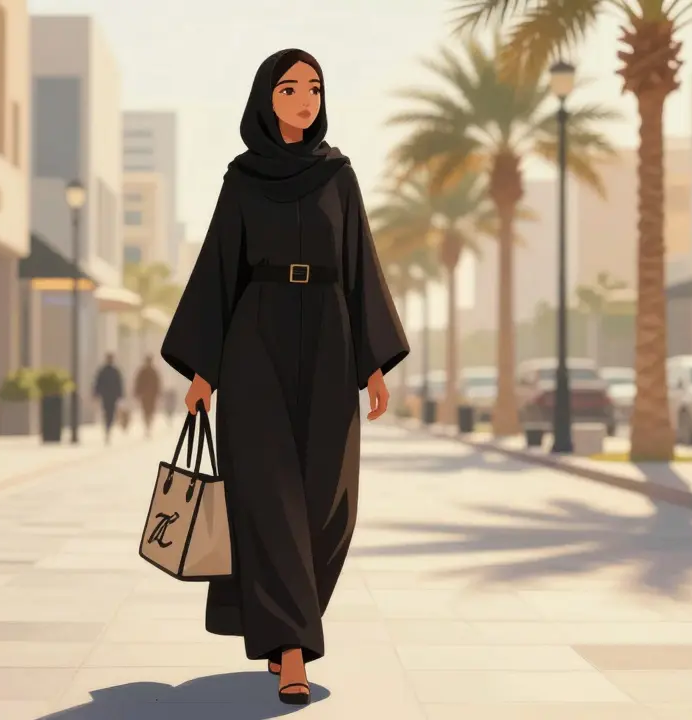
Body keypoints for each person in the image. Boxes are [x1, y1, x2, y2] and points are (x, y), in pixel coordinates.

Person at [159, 48, 408, 706]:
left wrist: (374, 360)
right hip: (255, 342)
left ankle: (283, 620)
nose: (306, 98)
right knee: (267, 496)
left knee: (330, 501)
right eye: (291, 87)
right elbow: (218, 268)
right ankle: (293, 649)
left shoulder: (339, 176)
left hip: (330, 337)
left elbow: (361, 264)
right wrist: (204, 369)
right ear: (266, 98)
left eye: (316, 87)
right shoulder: (242, 179)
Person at [92, 353, 124, 444]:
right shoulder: (104, 371)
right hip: (106, 395)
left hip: (111, 396)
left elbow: (119, 384)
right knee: (107, 412)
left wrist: (120, 395)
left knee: (110, 413)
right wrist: (96, 393)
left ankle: (108, 428)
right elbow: (98, 382)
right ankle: (107, 428)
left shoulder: (114, 371)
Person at [133, 355, 162, 438]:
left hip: (152, 396)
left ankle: (148, 424)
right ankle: (147, 425)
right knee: (145, 411)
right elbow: (138, 383)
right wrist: (137, 392)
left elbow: (157, 384)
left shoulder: (153, 372)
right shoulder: (143, 371)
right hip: (145, 396)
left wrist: (158, 393)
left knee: (150, 411)